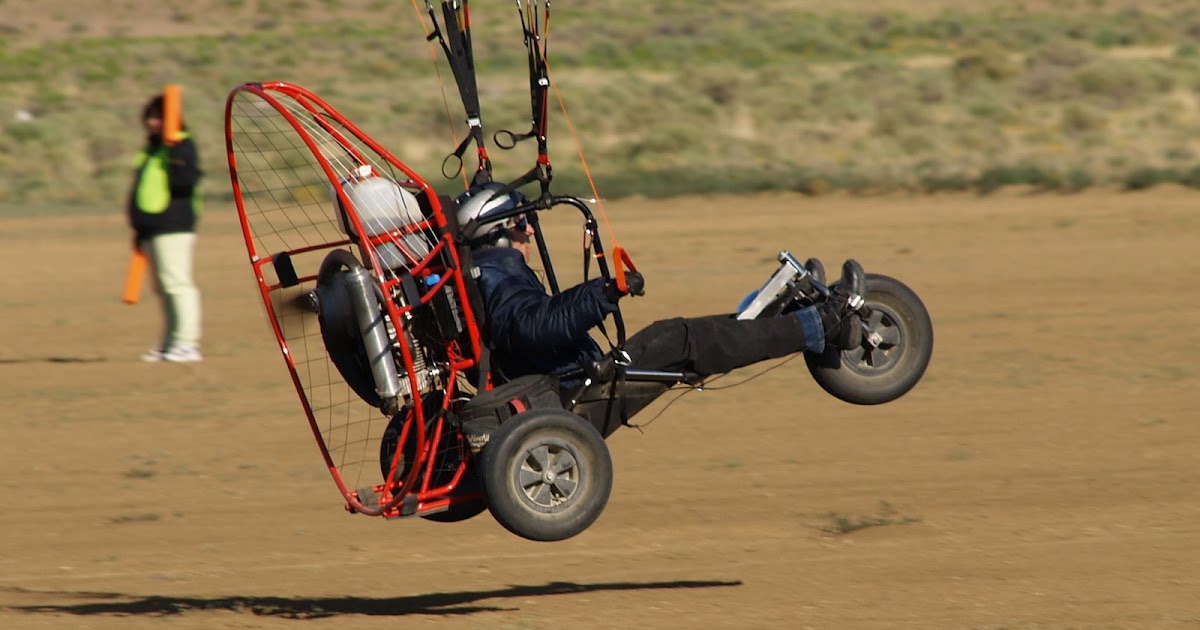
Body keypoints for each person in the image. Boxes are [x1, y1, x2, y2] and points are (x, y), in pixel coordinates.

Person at [456, 184, 866, 429]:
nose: (529, 230)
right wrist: (604, 291)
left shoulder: (491, 270)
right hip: (570, 397)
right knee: (678, 339)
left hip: (569, 384)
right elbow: (534, 326)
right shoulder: (497, 275)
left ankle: (790, 319)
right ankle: (823, 324)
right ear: (499, 233)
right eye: (521, 224)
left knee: (685, 340)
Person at [128, 93, 204, 362]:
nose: (151, 122)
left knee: (178, 284)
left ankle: (187, 343)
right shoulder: (152, 149)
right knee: (163, 288)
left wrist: (175, 153)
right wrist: (140, 229)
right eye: (149, 117)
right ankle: (171, 341)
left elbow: (184, 182)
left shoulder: (181, 146)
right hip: (152, 228)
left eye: (157, 117)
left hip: (173, 226)